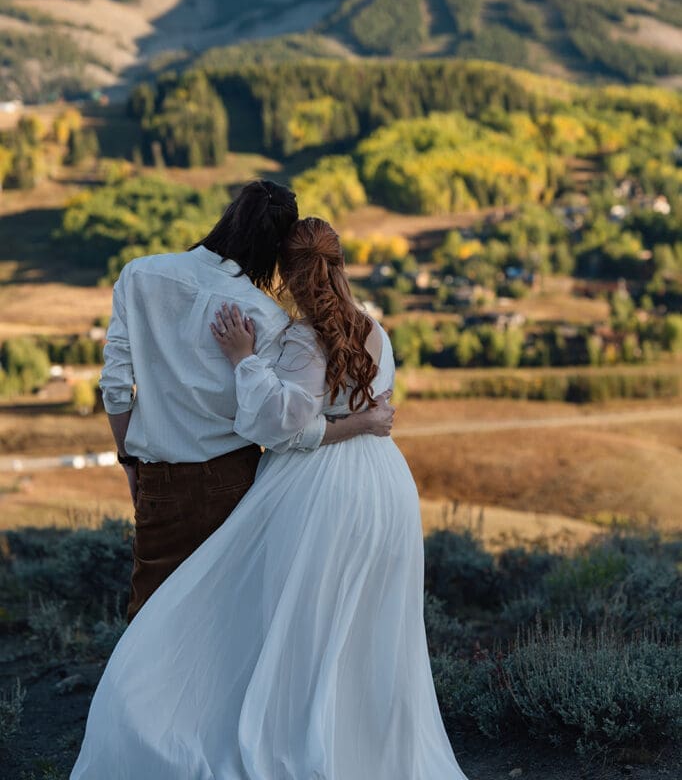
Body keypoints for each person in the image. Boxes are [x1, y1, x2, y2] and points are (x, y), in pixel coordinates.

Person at [71, 218, 468, 780]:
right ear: (341, 265)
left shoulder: (302, 340)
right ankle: (367, 752)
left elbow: (280, 427)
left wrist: (243, 360)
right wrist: (363, 420)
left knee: (292, 625)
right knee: (369, 630)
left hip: (319, 491)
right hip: (385, 492)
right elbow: (373, 409)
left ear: (287, 274)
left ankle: (300, 744)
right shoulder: (376, 330)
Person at [100, 181, 393, 620]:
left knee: (150, 618)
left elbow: (116, 387)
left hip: (158, 479)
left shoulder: (138, 276)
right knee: (230, 622)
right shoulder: (265, 316)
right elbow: (281, 420)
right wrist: (361, 424)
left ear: (231, 216)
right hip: (234, 477)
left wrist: (130, 462)